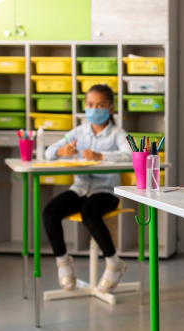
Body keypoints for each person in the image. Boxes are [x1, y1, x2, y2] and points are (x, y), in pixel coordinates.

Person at [42, 84, 132, 293]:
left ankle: (114, 263)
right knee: (49, 212)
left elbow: (130, 154)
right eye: (90, 105)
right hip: (81, 188)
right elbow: (49, 152)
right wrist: (62, 150)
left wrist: (101, 156)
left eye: (100, 105)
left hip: (107, 191)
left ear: (110, 107)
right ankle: (63, 262)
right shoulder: (78, 132)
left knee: (88, 214)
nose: (94, 109)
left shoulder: (118, 133)